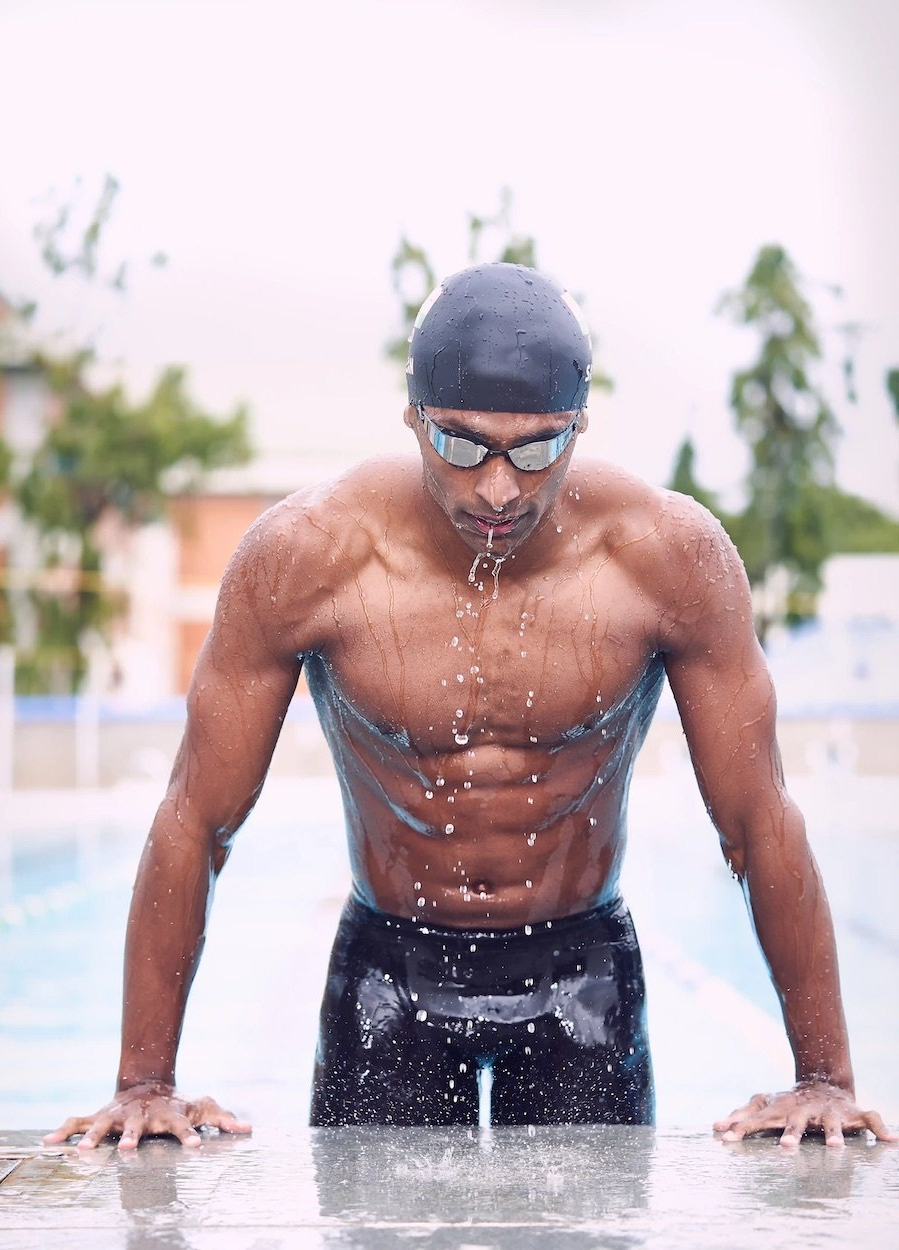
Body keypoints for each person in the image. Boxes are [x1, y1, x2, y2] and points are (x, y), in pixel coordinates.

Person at [45, 263, 894, 1150]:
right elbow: (195, 819)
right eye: (461, 445)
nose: (499, 488)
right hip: (387, 976)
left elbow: (759, 819)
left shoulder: (667, 560)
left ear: (579, 429)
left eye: (535, 451)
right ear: (413, 416)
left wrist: (823, 1076)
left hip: (584, 974)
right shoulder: (309, 557)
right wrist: (145, 1080)